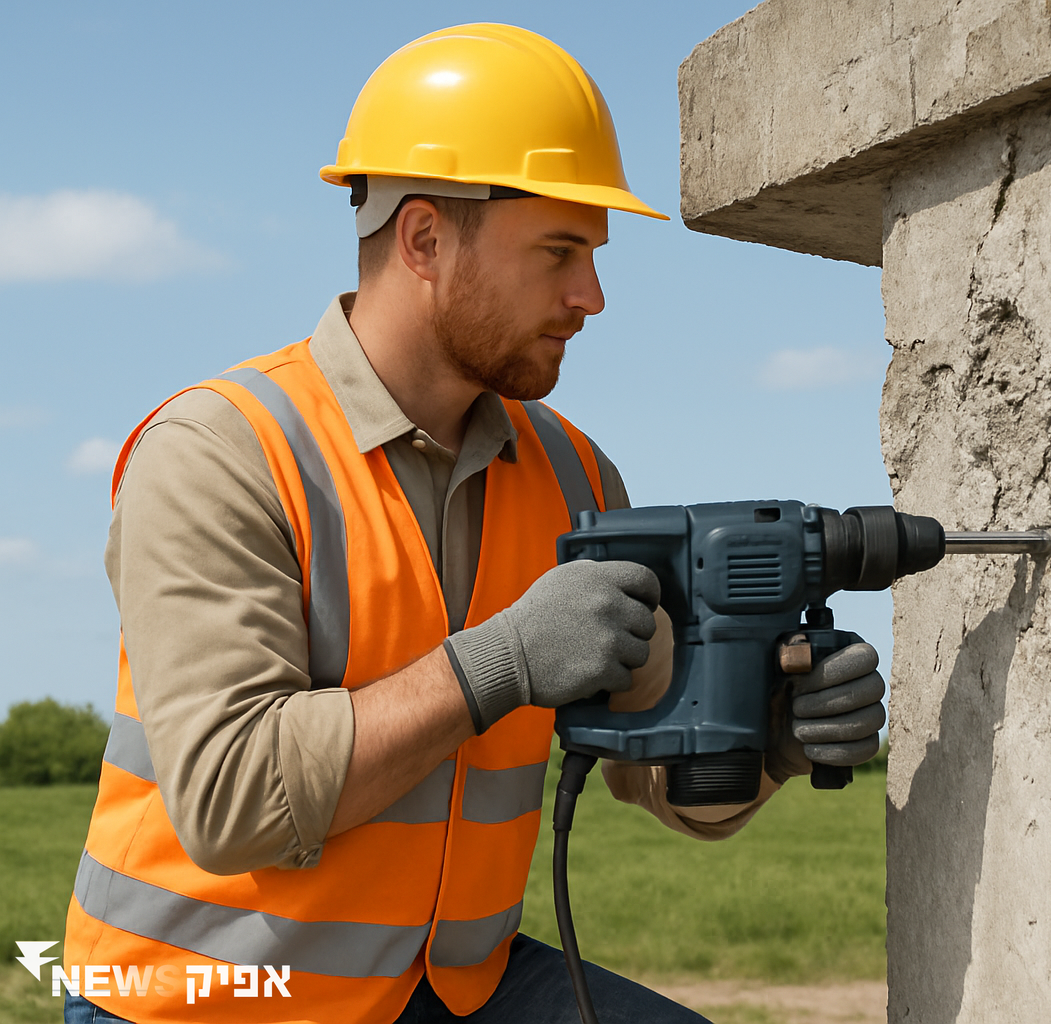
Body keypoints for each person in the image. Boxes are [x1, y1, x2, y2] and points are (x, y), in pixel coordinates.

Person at [61, 24, 887, 1024]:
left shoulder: (577, 476)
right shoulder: (221, 453)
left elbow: (661, 767)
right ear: (422, 240)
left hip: (452, 988)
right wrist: (500, 663)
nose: (592, 296)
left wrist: (773, 743)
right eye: (559, 252)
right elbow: (232, 797)